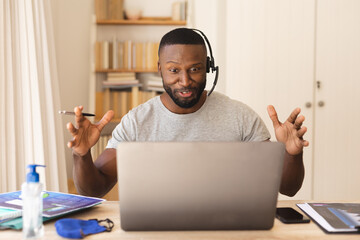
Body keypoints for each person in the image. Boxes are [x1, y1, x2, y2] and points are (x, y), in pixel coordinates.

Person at [66, 28, 309, 198]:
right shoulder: (137, 122)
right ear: (160, 69)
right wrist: (82, 154)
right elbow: (94, 190)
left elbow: (287, 188)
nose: (185, 81)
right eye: (174, 70)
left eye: (195, 69)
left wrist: (291, 154)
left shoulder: (240, 117)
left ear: (209, 68)